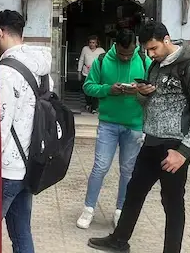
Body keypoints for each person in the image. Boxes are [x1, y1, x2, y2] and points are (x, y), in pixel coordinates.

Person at [88, 22, 190, 253]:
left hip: (175, 148)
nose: (151, 54)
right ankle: (119, 241)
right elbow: (147, 103)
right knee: (134, 192)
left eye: (154, 48)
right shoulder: (154, 66)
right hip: (151, 141)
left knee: (172, 202)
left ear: (167, 39)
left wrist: (184, 152)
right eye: (147, 50)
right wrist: (143, 95)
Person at [77, 29, 149, 230]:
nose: (126, 57)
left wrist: (141, 91)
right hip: (108, 124)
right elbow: (88, 87)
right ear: (115, 46)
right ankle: (88, 209)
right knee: (100, 167)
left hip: (134, 125)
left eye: (129, 53)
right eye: (122, 54)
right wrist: (108, 89)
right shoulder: (102, 61)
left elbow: (154, 90)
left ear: (135, 47)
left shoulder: (144, 61)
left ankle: (120, 211)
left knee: (128, 171)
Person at [0, 9, 52, 253]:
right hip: (30, 164)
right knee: (21, 234)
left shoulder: (5, 72)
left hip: (7, 170)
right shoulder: (41, 69)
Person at [78, 35, 106, 113]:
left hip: (96, 73)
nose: (91, 44)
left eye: (93, 42)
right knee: (86, 89)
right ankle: (88, 103)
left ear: (96, 43)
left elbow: (105, 61)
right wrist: (79, 72)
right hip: (86, 72)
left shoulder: (101, 50)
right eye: (90, 42)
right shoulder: (85, 49)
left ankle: (94, 107)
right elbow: (81, 60)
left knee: (95, 89)